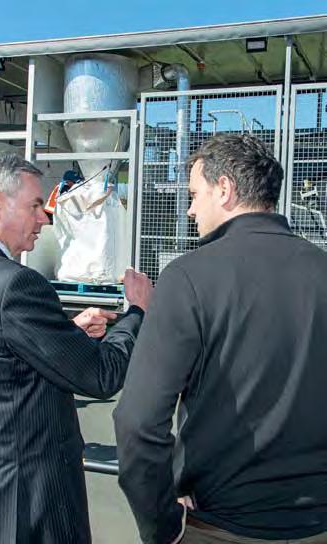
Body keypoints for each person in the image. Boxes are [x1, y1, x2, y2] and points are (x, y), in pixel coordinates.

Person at [0, 151, 152, 544]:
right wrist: (137, 312)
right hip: (26, 513)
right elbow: (101, 375)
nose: (44, 218)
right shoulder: (15, 284)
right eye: (35, 206)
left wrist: (64, 331)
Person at [114, 134, 327, 543]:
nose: (190, 209)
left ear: (225, 189)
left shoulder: (188, 278)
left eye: (195, 194)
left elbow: (138, 423)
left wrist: (162, 524)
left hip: (221, 523)